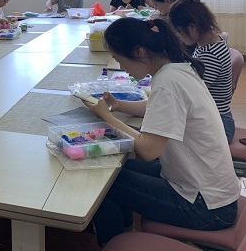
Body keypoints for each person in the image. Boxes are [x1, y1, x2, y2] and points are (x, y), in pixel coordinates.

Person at [83, 18, 239, 246]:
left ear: (139, 52)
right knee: (114, 167)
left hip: (207, 207)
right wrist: (118, 105)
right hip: (208, 189)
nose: (123, 68)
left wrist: (107, 117)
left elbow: (148, 151)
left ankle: (113, 244)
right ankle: (124, 232)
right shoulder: (178, 69)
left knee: (105, 180)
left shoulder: (168, 81)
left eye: (120, 60)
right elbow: (157, 107)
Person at [169, 0, 234, 141]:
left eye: (178, 31)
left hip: (218, 124)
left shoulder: (210, 54)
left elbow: (194, 95)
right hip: (212, 116)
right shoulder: (208, 43)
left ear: (192, 27)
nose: (178, 35)